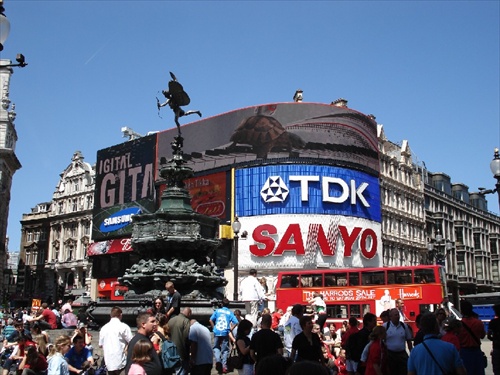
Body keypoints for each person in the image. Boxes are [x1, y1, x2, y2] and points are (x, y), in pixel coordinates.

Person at [98, 306, 132, 375]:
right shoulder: (123, 326)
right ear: (121, 315)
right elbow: (131, 341)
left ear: (110, 315)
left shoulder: (104, 328)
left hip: (108, 362)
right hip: (121, 361)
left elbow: (100, 345)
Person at [210, 298, 238, 374]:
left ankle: (218, 360)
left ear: (221, 304)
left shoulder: (217, 311)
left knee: (216, 347)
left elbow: (210, 320)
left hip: (217, 331)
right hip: (225, 332)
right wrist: (231, 329)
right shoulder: (229, 312)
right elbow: (236, 322)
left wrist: (214, 328)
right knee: (225, 349)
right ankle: (224, 366)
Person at [458, 300, 486, 375]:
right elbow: (483, 336)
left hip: (464, 352)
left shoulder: (459, 325)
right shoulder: (478, 322)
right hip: (476, 351)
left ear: (462, 311)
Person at [385, 308, 413, 375]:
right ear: (390, 317)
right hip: (390, 355)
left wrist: (411, 353)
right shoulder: (385, 326)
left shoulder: (404, 326)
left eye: (398, 315)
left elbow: (409, 340)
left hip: (402, 355)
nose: (397, 316)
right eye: (395, 315)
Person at [168, 307, 191, 375]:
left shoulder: (171, 320)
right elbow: (186, 336)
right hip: (181, 351)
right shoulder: (186, 321)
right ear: (189, 313)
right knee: (181, 371)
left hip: (171, 350)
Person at [488, 303, 500, 375]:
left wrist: (495, 339)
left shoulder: (493, 322)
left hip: (497, 348)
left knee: (497, 369)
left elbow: (489, 336)